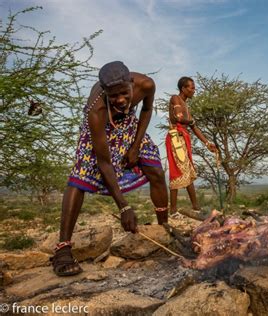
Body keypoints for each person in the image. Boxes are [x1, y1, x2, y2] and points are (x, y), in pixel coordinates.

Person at [51, 61, 168, 276]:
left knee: (156, 170)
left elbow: (147, 109)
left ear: (131, 83)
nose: (121, 99)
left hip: (129, 124)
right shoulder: (96, 111)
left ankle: (164, 229)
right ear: (104, 92)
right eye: (114, 96)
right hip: (100, 129)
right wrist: (124, 207)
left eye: (125, 93)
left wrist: (135, 146)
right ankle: (63, 249)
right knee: (81, 174)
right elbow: (104, 163)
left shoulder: (147, 85)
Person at [166, 77, 217, 213]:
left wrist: (207, 143)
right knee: (177, 171)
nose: (194, 90)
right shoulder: (175, 99)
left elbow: (193, 127)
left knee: (187, 171)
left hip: (184, 137)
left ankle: (195, 207)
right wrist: (191, 121)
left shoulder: (186, 105)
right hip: (176, 137)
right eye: (191, 87)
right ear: (183, 88)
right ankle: (173, 211)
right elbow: (178, 118)